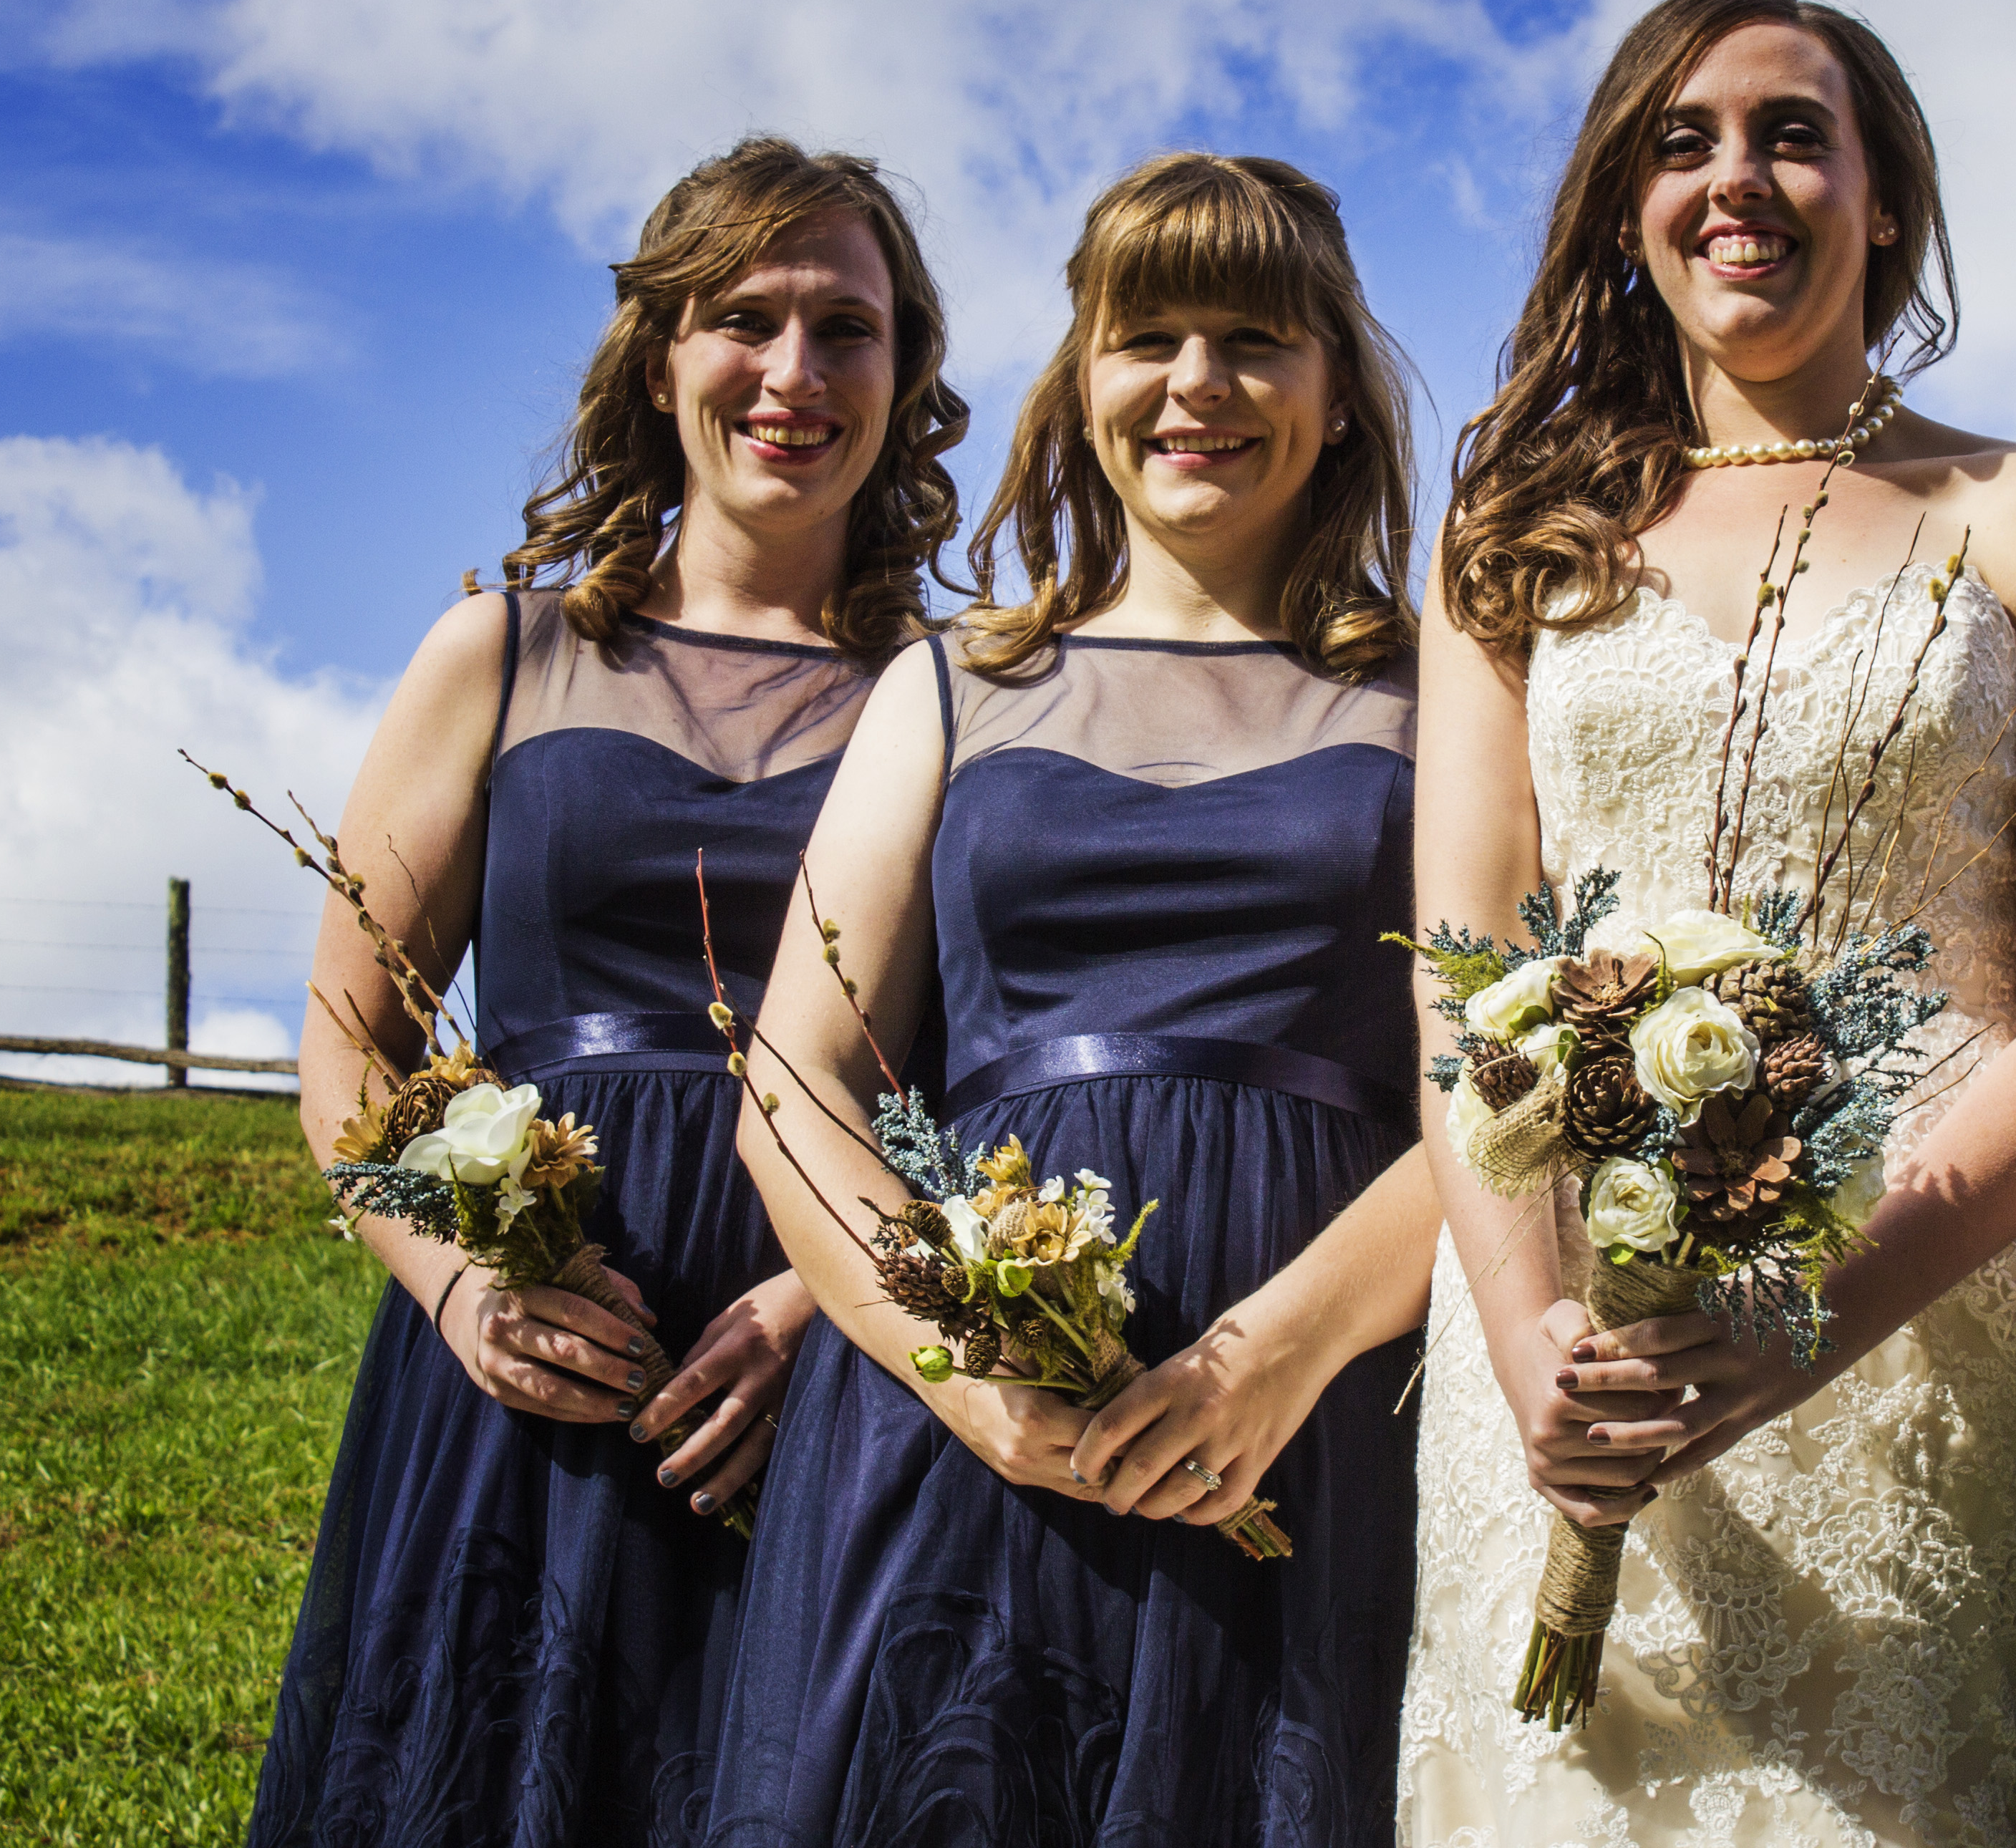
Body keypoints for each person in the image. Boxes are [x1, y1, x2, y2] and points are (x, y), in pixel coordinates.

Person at [1398, 0, 2016, 1847]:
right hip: (1568, 1314)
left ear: (1885, 202)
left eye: (1793, 136)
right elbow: (1462, 977)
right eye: (1683, 143)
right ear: (1627, 207)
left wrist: (1812, 1314)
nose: (1736, 179)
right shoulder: (1513, 536)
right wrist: (1528, 1348)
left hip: (1931, 1308)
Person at [248, 137, 969, 1846]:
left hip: (826, 1385)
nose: (795, 373)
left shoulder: (968, 696)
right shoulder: (504, 654)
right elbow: (351, 1048)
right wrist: (462, 1291)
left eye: (847, 329)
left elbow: (984, 1080)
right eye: (746, 320)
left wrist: (830, 1306)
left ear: (904, 377)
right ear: (660, 360)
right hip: (529, 1369)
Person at [709, 154, 1436, 1847]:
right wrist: (959, 1372)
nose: (1198, 383)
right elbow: (795, 1081)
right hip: (954, 1444)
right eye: (1149, 336)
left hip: (1314, 1428)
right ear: (1082, 380)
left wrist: (1275, 1355)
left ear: (1337, 391)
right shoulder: (953, 684)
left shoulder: (1442, 694)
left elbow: (1492, 1094)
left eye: (1255, 339)